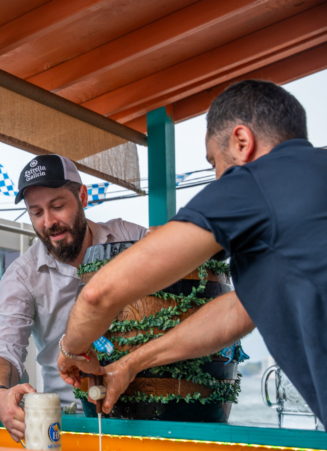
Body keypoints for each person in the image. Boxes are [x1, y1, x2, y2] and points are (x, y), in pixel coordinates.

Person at [56, 80, 327, 428]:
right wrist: (131, 363)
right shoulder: (305, 198)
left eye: (214, 162)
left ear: (242, 142)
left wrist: (70, 352)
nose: (218, 178)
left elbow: (98, 294)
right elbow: (233, 313)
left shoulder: (257, 180)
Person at [0, 154, 147, 443]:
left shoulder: (129, 237)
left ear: (82, 195)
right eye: (36, 212)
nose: (49, 222)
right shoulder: (22, 275)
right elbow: (4, 345)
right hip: (68, 422)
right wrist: (0, 394)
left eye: (57, 206)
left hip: (148, 408)